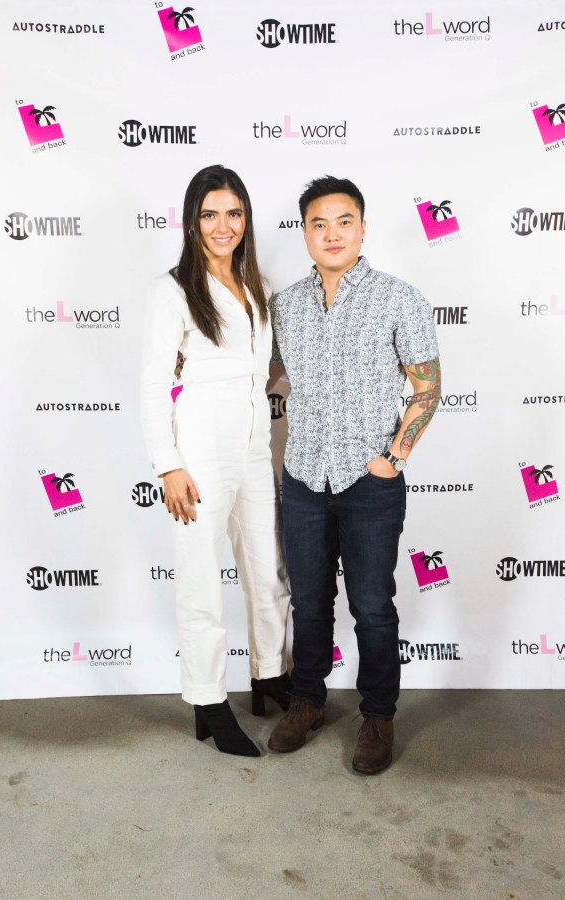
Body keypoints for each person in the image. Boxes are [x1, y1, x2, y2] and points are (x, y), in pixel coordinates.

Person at [267, 175, 440, 774]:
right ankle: (307, 701)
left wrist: (393, 458)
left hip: (370, 483)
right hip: (304, 479)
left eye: (344, 221)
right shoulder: (284, 305)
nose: (332, 233)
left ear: (363, 228)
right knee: (310, 602)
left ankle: (378, 715)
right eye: (319, 224)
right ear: (305, 234)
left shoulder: (400, 298)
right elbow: (259, 374)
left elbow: (427, 386)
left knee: (372, 605)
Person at [140, 165, 291, 758]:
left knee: (266, 567)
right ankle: (208, 700)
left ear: (246, 218)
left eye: (233, 213)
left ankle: (269, 674)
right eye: (210, 214)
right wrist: (168, 465)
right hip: (199, 453)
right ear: (191, 220)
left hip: (256, 450)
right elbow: (153, 386)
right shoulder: (172, 289)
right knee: (202, 579)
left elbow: (266, 369)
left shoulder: (260, 286)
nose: (223, 225)